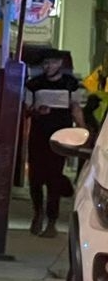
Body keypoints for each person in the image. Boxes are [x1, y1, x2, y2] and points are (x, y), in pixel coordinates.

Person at [24, 51, 86, 237]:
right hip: (38, 136)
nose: (47, 67)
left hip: (61, 137)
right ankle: (38, 212)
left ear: (59, 63)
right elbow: (27, 109)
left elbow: (76, 108)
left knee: (54, 178)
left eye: (51, 63)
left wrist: (83, 129)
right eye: (45, 64)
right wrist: (37, 111)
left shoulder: (71, 84)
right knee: (35, 178)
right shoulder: (34, 84)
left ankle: (52, 221)